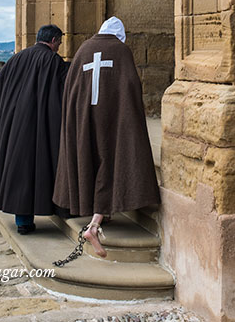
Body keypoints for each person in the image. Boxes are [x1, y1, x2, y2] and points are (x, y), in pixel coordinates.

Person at [53, 17, 160, 258]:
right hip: (112, 119)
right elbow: (130, 86)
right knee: (110, 163)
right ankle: (94, 226)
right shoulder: (120, 51)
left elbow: (72, 87)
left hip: (84, 118)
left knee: (93, 161)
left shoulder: (84, 49)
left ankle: (99, 214)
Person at [0, 24, 69, 234]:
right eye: (59, 43)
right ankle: (52, 210)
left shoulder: (16, 58)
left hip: (13, 125)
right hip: (39, 124)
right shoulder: (52, 61)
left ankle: (23, 222)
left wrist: (7, 112)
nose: (58, 47)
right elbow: (63, 90)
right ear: (54, 40)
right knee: (34, 168)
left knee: (19, 170)